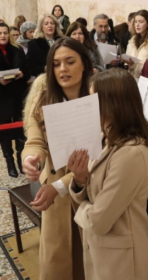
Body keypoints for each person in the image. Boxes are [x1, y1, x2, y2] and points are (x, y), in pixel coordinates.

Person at [67, 68, 148, 280]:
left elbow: (98, 221)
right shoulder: (106, 136)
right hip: (102, 248)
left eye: (93, 101)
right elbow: (96, 194)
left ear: (114, 104)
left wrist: (82, 209)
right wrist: (79, 180)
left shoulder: (131, 153)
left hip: (121, 259)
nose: (88, 107)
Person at [22, 38, 92, 280]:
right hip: (54, 191)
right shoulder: (43, 98)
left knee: (89, 261)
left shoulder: (99, 96)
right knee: (57, 262)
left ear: (84, 63)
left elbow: (100, 155)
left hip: (90, 190)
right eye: (56, 64)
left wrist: (60, 187)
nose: (63, 69)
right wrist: (32, 157)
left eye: (70, 62)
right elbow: (34, 139)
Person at [0, 23, 30, 177]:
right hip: (2, 98)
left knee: (20, 129)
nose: (3, 35)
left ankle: (20, 159)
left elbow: (26, 67)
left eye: (5, 33)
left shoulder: (17, 49)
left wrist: (22, 74)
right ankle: (9, 162)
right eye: (0, 33)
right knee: (4, 131)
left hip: (18, 95)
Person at [125, 10, 148, 78]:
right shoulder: (132, 41)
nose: (137, 25)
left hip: (145, 79)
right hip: (132, 78)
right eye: (135, 22)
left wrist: (134, 65)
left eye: (141, 22)